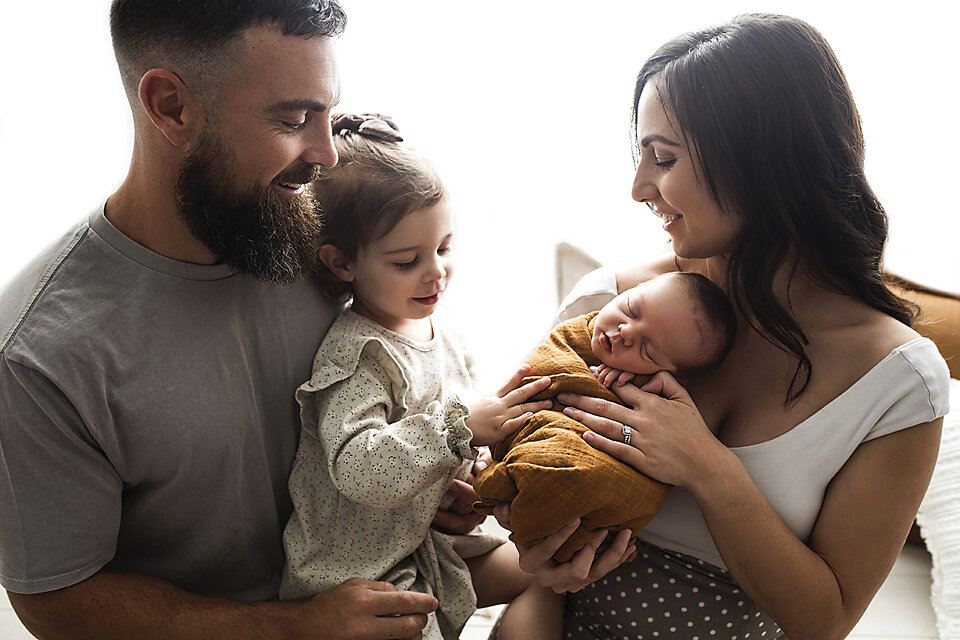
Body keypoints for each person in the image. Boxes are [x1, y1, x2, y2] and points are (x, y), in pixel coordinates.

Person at [0, 3, 491, 639]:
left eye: (328, 113)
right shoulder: (41, 355)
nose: (327, 153)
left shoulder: (315, 232)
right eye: (292, 119)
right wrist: (293, 627)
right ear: (172, 107)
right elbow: (55, 600)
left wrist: (429, 493)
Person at [493, 13, 951, 640]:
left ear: (763, 161)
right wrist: (541, 557)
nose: (638, 188)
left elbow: (825, 619)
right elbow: (513, 459)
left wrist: (706, 466)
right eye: (641, 156)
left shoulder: (898, 381)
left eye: (663, 157)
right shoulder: (611, 303)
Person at [279, 113, 562, 640]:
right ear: (342, 264)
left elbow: (453, 436)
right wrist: (458, 428)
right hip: (366, 573)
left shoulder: (440, 330)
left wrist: (473, 464)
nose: (436, 272)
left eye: (444, 248)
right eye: (408, 261)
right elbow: (359, 469)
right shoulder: (359, 356)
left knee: (546, 575)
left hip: (434, 548)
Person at [473, 271, 736, 561]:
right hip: (545, 427)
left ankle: (511, 485)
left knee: (569, 476)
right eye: (631, 310)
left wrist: (634, 382)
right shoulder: (582, 324)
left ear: (668, 373)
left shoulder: (659, 395)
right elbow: (540, 371)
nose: (626, 332)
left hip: (594, 465)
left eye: (647, 349)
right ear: (627, 293)